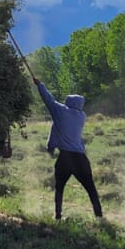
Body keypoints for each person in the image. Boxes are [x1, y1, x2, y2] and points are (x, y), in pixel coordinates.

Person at [32, 76, 103, 220]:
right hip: (81, 158)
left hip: (65, 157)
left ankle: (58, 216)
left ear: (68, 102)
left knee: (59, 188)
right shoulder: (81, 116)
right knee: (91, 188)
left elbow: (48, 100)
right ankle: (99, 216)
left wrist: (40, 84)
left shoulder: (61, 112)